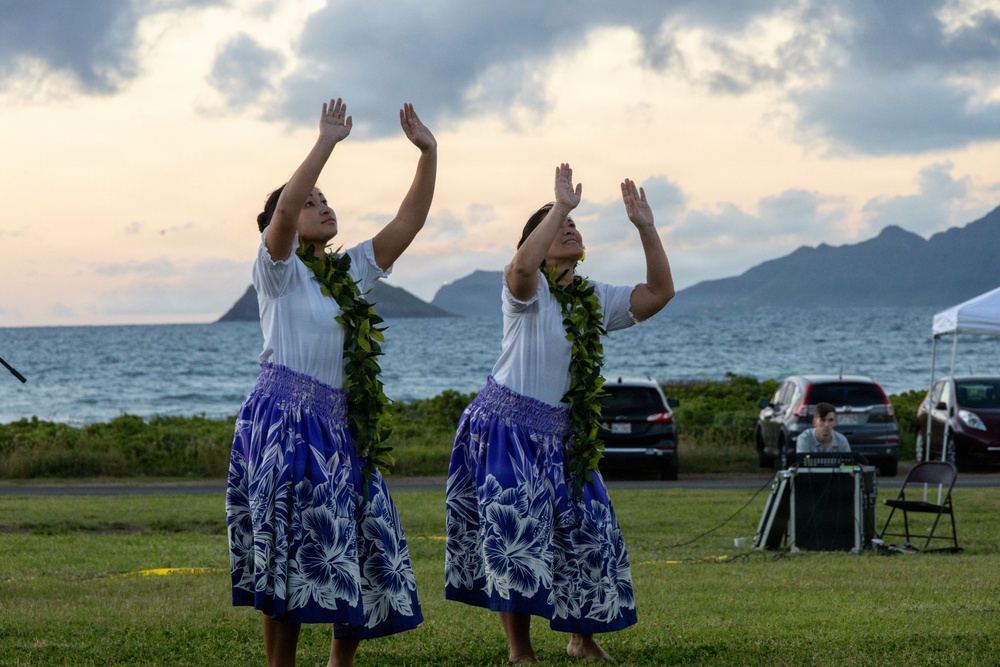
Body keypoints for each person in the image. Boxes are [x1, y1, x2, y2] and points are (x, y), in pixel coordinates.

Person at [226, 97, 437, 667]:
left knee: (365, 539)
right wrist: (325, 143)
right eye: (311, 202)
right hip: (283, 424)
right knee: (289, 552)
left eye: (327, 199)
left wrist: (428, 153)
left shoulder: (349, 273)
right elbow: (287, 210)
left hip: (341, 427)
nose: (322, 205)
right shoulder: (277, 271)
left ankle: (339, 663)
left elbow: (408, 222)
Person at [444, 163, 675, 663]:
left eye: (572, 223)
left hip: (564, 437)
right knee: (517, 532)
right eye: (554, 225)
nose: (568, 226)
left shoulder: (592, 299)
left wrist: (646, 229)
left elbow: (658, 294)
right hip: (505, 426)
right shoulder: (526, 294)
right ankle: (519, 649)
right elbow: (521, 270)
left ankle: (582, 638)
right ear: (536, 241)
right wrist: (561, 206)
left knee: (587, 529)